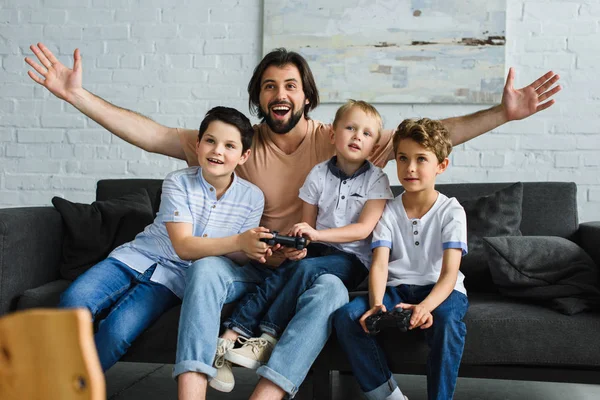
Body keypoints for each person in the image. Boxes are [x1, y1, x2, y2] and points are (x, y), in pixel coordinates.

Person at [25, 43, 561, 400]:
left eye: (290, 86)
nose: (280, 94)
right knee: (208, 272)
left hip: (307, 263)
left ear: (306, 95)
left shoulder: (337, 139)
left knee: (329, 289)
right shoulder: (233, 145)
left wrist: (501, 114)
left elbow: (419, 140)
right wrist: (76, 95)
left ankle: (269, 393)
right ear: (259, 97)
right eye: (269, 86)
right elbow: (152, 134)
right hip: (245, 260)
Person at [59, 106, 270, 372]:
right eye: (210, 141)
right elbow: (183, 246)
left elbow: (237, 255)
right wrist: (240, 241)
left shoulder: (252, 197)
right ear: (198, 144)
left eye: (230, 146)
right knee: (73, 301)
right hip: (133, 259)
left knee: (117, 331)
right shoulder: (177, 182)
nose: (218, 151)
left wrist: (255, 249)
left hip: (171, 281)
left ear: (244, 155)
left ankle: (75, 387)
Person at [213, 100, 394, 385]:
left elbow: (363, 230)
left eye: (367, 133)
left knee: (305, 271)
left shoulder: (377, 180)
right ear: (333, 135)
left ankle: (268, 335)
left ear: (374, 146)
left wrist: (317, 236)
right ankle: (231, 335)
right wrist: (297, 248)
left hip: (352, 260)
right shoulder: (318, 174)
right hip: (318, 252)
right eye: (350, 128)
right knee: (284, 270)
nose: (358, 136)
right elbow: (306, 230)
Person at [333, 118, 469, 400]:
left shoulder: (452, 211)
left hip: (442, 290)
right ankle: (389, 396)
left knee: (445, 321)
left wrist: (425, 307)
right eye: (403, 158)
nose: (410, 168)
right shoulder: (388, 209)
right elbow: (380, 264)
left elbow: (449, 274)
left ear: (441, 166)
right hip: (398, 290)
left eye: (421, 159)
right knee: (347, 317)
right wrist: (378, 304)